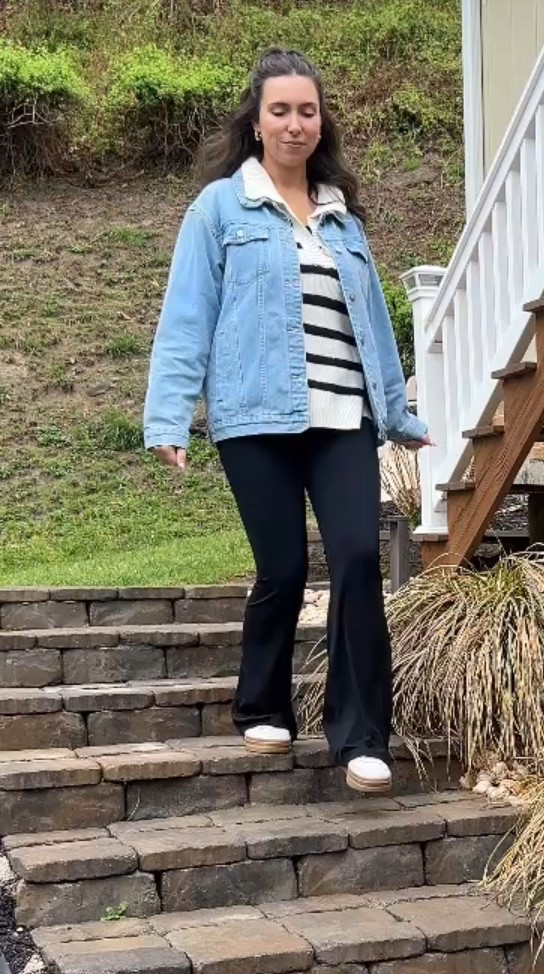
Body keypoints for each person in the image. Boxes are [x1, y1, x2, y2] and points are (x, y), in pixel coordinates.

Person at [143, 48, 429, 794]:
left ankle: (362, 736)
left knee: (360, 562)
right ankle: (263, 703)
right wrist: (170, 417)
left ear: (320, 120)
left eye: (307, 110)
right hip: (255, 420)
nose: (295, 123)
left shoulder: (343, 217)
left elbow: (369, 325)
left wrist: (397, 414)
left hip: (343, 422)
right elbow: (186, 318)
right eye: (281, 110)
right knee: (283, 567)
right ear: (257, 120)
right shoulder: (219, 210)